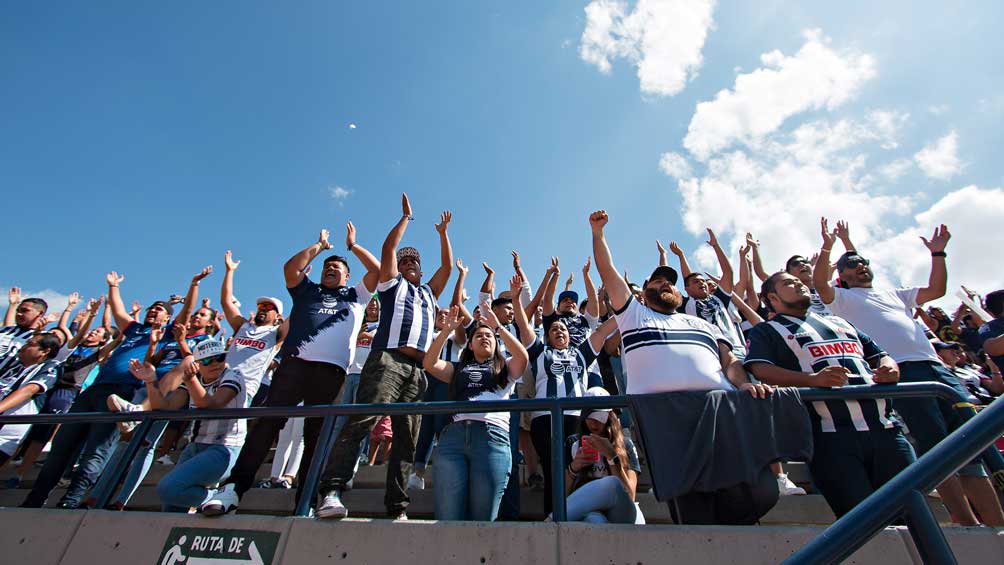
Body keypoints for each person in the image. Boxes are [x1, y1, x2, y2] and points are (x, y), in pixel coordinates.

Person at [814, 219, 1004, 526]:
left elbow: (936, 290)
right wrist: (829, 246)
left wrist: (938, 254)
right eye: (852, 264)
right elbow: (821, 284)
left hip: (938, 371)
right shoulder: (843, 300)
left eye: (863, 262)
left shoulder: (895, 294)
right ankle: (967, 523)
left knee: (972, 445)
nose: (860, 266)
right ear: (842, 276)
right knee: (938, 450)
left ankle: (998, 523)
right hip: (902, 374)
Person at [202, 223, 379, 516]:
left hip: (332, 372)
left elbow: (377, 271)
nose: (330, 269)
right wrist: (319, 247)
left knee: (316, 436)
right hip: (293, 367)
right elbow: (291, 268)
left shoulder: (356, 295)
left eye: (337, 267)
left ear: (347, 276)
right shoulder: (307, 291)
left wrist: (352, 247)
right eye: (327, 267)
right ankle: (233, 489)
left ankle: (306, 500)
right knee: (266, 426)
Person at [316, 194, 454, 521]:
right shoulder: (392, 286)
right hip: (387, 360)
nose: (407, 265)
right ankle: (331, 490)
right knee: (362, 420)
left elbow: (447, 267)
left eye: (413, 263)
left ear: (421, 270)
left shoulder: (429, 294)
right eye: (404, 263)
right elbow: (388, 250)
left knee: (408, 437)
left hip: (418, 370)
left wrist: (443, 234)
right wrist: (406, 218)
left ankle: (397, 506)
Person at [745, 272, 916, 518]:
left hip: (887, 431)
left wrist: (891, 368)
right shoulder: (767, 331)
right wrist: (811, 380)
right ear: (772, 297)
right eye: (788, 283)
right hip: (830, 438)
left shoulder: (841, 322)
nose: (799, 284)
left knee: (913, 511)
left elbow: (879, 354)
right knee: (860, 519)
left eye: (799, 281)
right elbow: (761, 368)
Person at [22, 273, 173, 509]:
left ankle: (70, 502)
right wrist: (114, 287)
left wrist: (194, 285)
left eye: (159, 310)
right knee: (61, 447)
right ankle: (34, 500)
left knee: (95, 452)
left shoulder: (166, 336)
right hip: (93, 390)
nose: (153, 312)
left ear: (168, 317)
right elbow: (118, 310)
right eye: (151, 309)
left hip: (122, 392)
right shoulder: (134, 330)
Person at [518, 272, 618, 517]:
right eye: (554, 329)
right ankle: (552, 518)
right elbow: (522, 324)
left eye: (563, 329)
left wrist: (629, 308)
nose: (559, 331)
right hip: (545, 418)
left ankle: (574, 514)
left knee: (575, 465)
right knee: (554, 466)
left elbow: (604, 330)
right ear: (548, 335)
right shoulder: (540, 352)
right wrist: (515, 298)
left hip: (575, 417)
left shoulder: (581, 353)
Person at [422, 292, 529, 521]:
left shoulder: (505, 368)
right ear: (469, 344)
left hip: (492, 438)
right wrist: (445, 332)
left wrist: (497, 327)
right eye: (478, 335)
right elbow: (429, 363)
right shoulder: (457, 368)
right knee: (448, 518)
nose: (484, 338)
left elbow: (523, 357)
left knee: (482, 520)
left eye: (489, 336)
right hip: (453, 439)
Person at [124, 340, 247, 512]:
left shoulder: (233, 375)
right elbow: (165, 408)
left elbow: (212, 404)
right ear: (197, 364)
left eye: (219, 357)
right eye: (207, 360)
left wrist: (190, 380)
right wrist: (151, 382)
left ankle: (220, 497)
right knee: (171, 508)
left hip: (224, 448)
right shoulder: (193, 380)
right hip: (194, 447)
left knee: (168, 488)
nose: (215, 364)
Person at [561, 387, 644, 524]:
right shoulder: (573, 444)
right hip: (592, 511)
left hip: (622, 511)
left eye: (599, 417)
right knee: (594, 520)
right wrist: (573, 468)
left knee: (611, 484)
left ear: (610, 416)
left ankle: (551, 520)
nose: (594, 422)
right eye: (589, 416)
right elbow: (563, 496)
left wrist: (612, 457)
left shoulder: (626, 445)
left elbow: (630, 495)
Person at [665, 231, 748, 359]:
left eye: (703, 281)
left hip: (737, 350)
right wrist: (681, 256)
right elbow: (680, 279)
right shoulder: (687, 304)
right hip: (709, 353)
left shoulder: (719, 298)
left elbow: (728, 272)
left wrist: (716, 246)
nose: (702, 283)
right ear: (687, 289)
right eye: (696, 282)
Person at [219, 250, 286, 402]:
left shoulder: (277, 333)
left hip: (247, 389)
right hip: (220, 383)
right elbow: (226, 301)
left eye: (269, 307)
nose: (263, 308)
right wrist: (230, 271)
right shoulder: (242, 326)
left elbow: (298, 313)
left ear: (278, 316)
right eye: (261, 305)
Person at [0, 333, 63, 466]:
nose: (24, 347)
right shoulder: (17, 368)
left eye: (30, 344)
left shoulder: (52, 367)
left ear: (45, 351)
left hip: (4, 437)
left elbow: (29, 390)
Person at [1, 289, 48, 375]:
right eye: (18, 310)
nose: (18, 314)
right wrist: (12, 305)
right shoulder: (4, 331)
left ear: (40, 313)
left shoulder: (42, 340)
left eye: (25, 310)